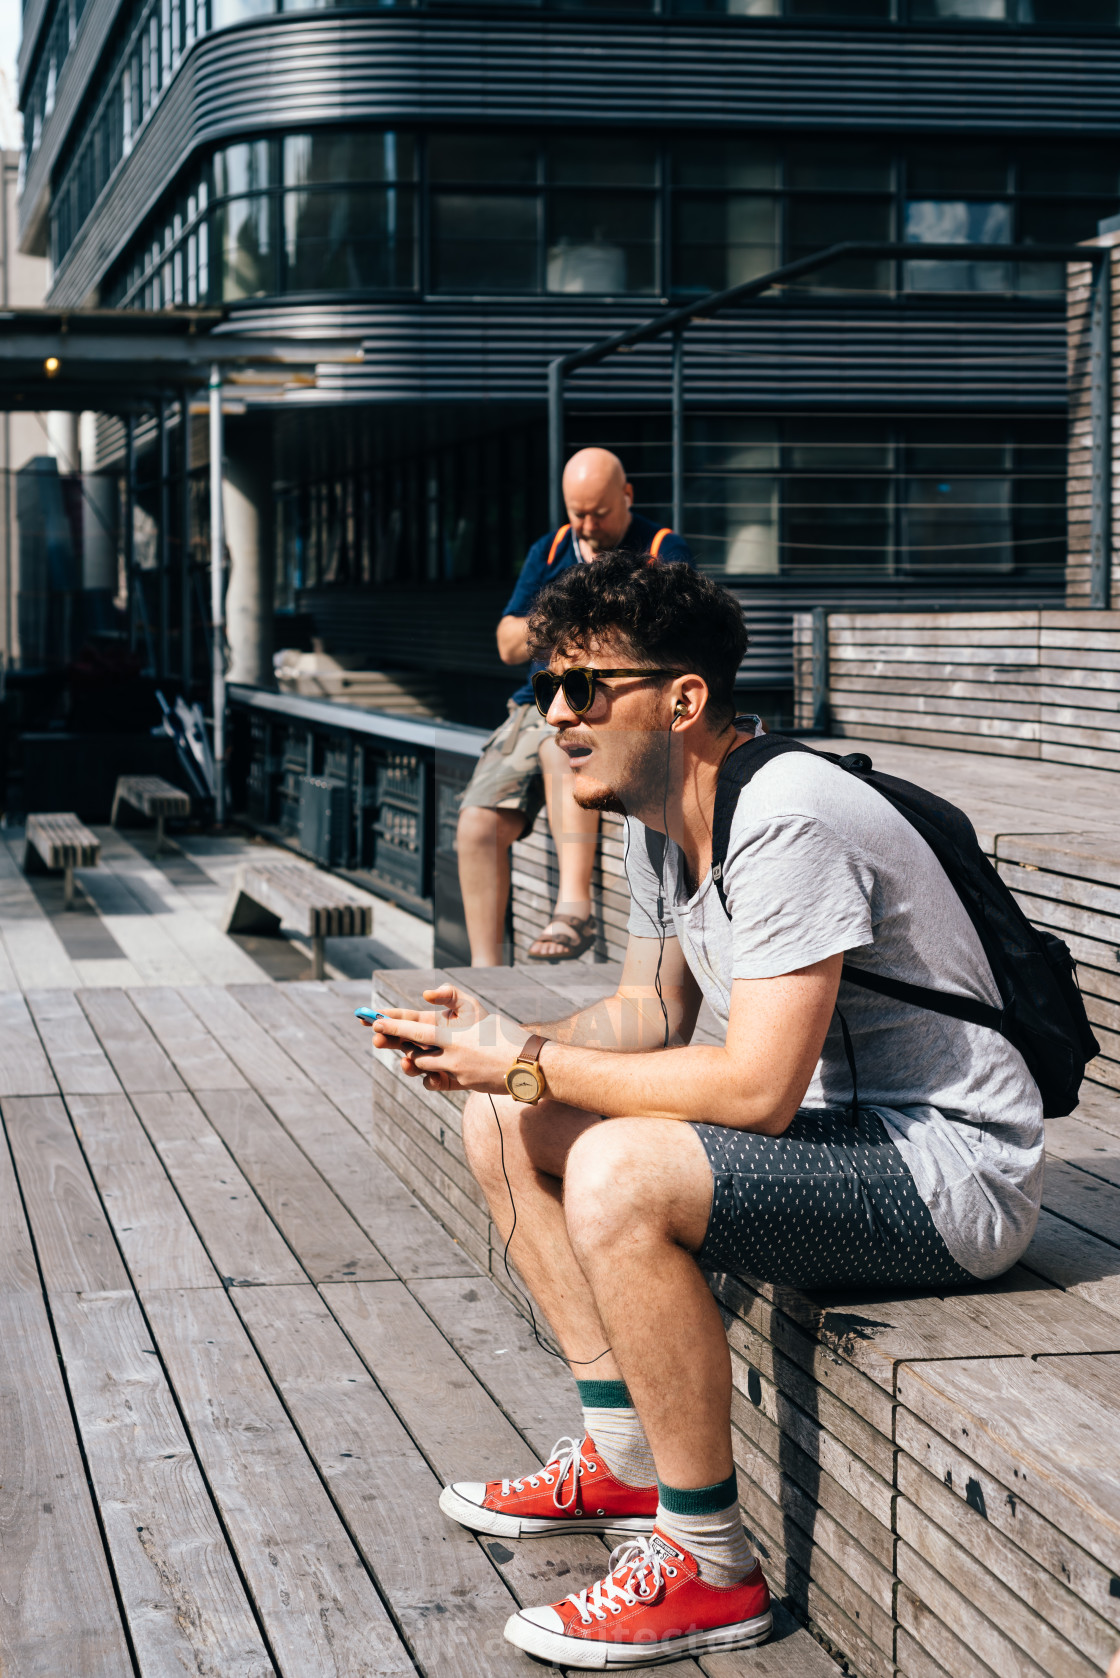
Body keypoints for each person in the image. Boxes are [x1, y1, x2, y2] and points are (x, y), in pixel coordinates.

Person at [371, 553, 1044, 1667]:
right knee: (501, 1118)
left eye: (586, 688)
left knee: (613, 1168)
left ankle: (708, 1566)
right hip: (836, 1145)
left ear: (682, 699)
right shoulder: (657, 813)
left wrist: (530, 1057)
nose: (556, 715)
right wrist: (483, 1049)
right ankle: (624, 1454)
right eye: (550, 689)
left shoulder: (782, 817)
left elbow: (753, 1089)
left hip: (947, 1172)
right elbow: (649, 1013)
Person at [456, 446, 692, 966]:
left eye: (599, 512)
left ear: (626, 496)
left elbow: (675, 637)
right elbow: (506, 642)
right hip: (534, 700)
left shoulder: (661, 548)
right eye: (576, 511)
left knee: (560, 750)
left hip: (610, 699)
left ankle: (573, 909)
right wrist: (573, 612)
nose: (586, 525)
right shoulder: (552, 548)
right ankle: (485, 970)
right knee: (475, 825)